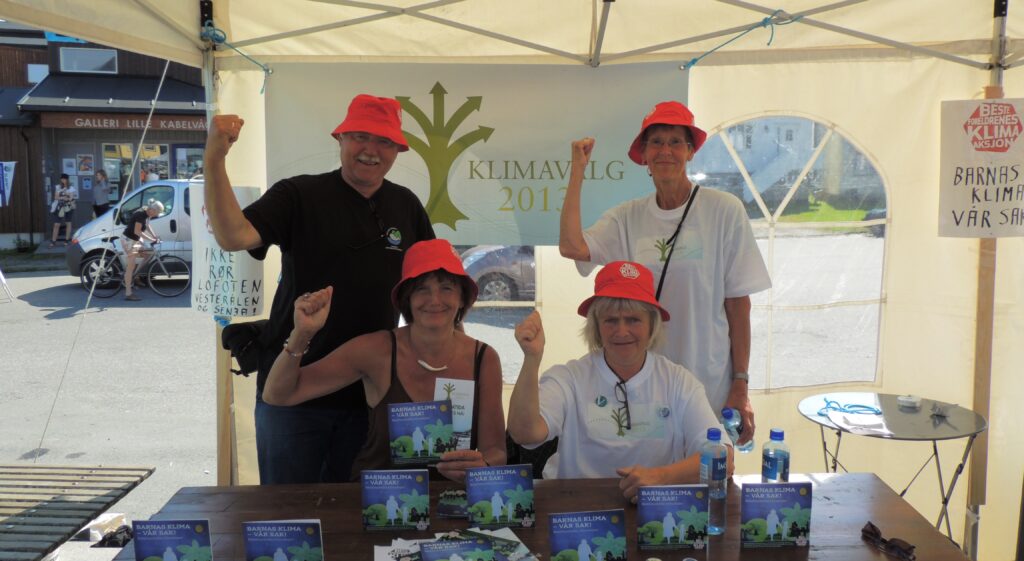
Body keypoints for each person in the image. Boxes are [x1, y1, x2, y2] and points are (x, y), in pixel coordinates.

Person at [203, 94, 436, 484]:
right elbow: (232, 235)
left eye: (384, 142)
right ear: (340, 139)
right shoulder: (298, 194)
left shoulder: (405, 205)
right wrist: (214, 159)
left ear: (397, 150)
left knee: (357, 517)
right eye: (360, 136)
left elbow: (429, 288)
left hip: (369, 395)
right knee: (289, 513)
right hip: (292, 389)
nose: (371, 151)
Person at [559, 101, 771, 445]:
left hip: (709, 382)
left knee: (709, 476)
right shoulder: (627, 217)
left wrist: (741, 383)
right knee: (652, 479)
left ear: (690, 151)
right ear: (644, 154)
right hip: (645, 385)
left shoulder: (723, 210)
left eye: (676, 142)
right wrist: (577, 172)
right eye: (656, 142)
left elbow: (737, 303)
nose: (666, 151)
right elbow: (572, 247)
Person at [261, 239, 506, 482]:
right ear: (406, 298)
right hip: (378, 507)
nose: (434, 300)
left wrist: (482, 465)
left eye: (447, 288)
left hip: (452, 503)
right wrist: (302, 334)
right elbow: (278, 394)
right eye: (422, 288)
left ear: (463, 298)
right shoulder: (376, 350)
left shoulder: (484, 359)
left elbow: (496, 452)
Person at [508, 261, 733, 500]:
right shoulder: (569, 378)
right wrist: (532, 360)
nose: (622, 331)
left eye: (633, 320)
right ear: (596, 326)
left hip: (654, 510)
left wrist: (659, 478)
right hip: (579, 512)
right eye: (611, 320)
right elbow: (525, 434)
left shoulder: (678, 382)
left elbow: (724, 459)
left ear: (651, 325)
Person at [120, 199, 164, 302]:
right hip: (128, 240)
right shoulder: (140, 215)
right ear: (152, 210)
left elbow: (147, 225)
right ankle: (128, 293)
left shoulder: (147, 213)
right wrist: (152, 239)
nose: (156, 215)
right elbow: (137, 231)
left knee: (147, 255)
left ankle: (136, 276)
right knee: (131, 266)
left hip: (135, 240)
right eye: (157, 213)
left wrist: (154, 236)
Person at [49, 174, 77, 248]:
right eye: (62, 179)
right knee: (56, 224)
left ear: (67, 180)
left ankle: (67, 240)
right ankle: (53, 241)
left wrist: (63, 196)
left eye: (64, 179)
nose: (63, 180)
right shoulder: (58, 187)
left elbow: (71, 198)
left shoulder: (71, 188)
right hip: (59, 207)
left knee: (68, 223)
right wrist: (64, 196)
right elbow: (56, 196)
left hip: (68, 207)